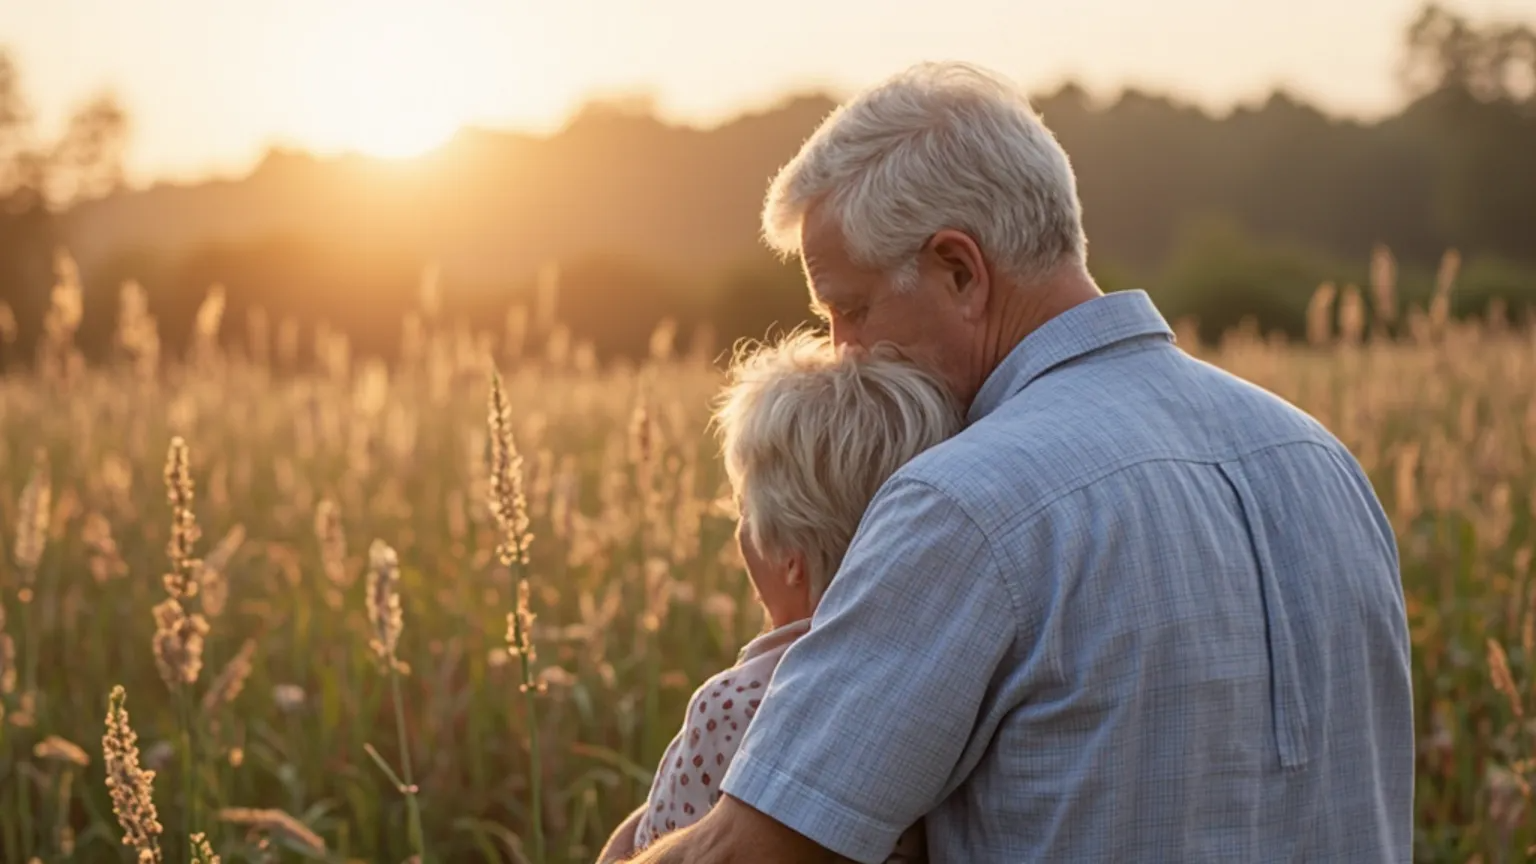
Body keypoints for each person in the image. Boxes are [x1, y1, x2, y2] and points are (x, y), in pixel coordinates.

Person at [623, 60, 1413, 863]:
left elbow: (740, 855)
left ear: (959, 270)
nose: (843, 354)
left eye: (851, 310)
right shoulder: (1320, 459)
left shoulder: (964, 504)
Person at [598, 331, 955, 863]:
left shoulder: (735, 710)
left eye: (745, 511)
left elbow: (660, 842)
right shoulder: (943, 677)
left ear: (791, 558)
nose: (739, 530)